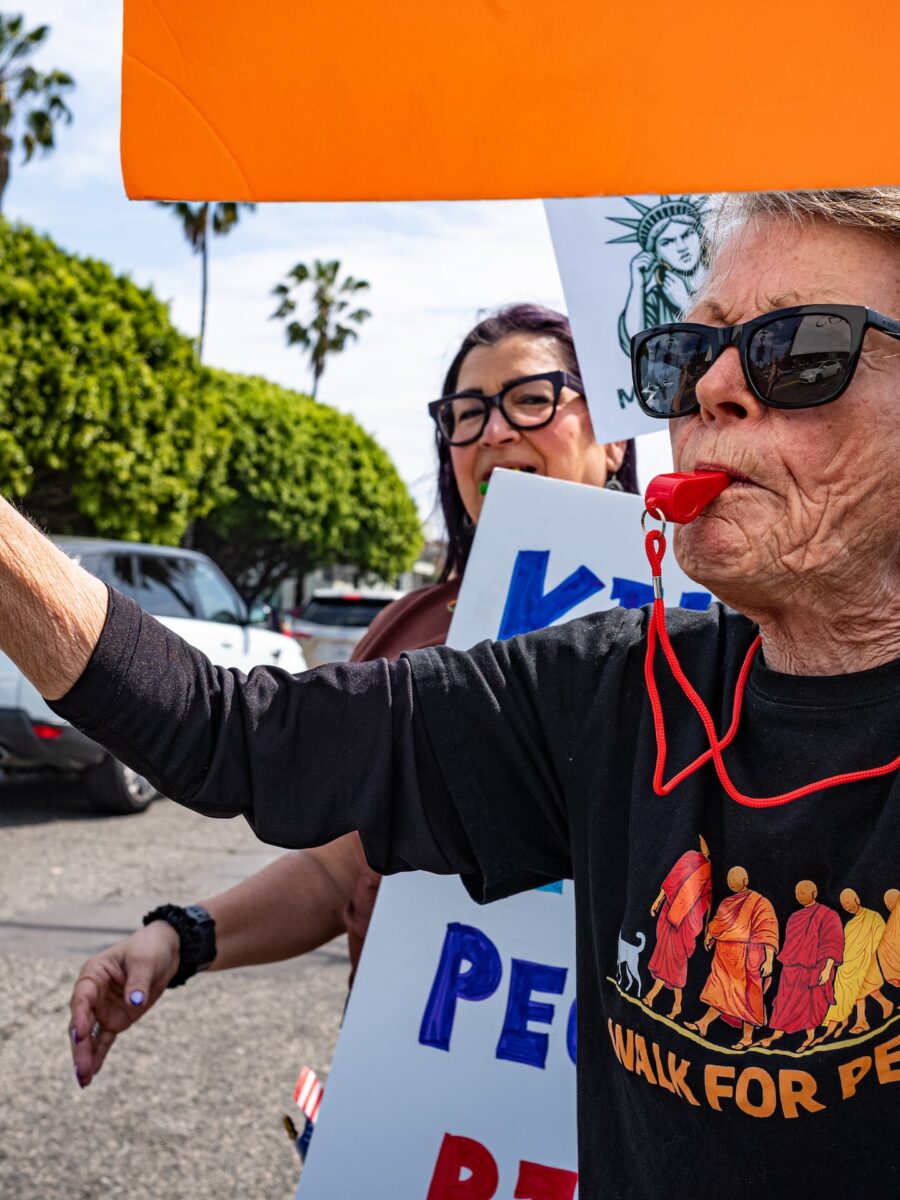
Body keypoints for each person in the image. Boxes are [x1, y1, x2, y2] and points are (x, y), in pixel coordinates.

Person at [6, 188, 900, 1197]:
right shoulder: (615, 688)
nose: (712, 392)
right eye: (687, 356)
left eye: (798, 349)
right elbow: (238, 738)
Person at [65, 303, 636, 1085]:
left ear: (616, 438)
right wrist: (180, 937)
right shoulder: (415, 629)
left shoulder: (704, 634)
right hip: (416, 1104)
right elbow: (341, 870)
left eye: (532, 398)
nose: (493, 431)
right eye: (466, 413)